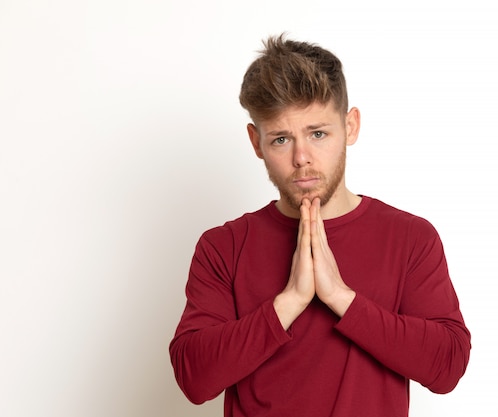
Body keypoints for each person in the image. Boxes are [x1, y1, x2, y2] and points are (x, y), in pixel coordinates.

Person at [169, 34, 471, 417]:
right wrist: (290, 300)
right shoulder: (223, 246)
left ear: (351, 126)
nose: (301, 158)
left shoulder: (410, 237)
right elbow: (194, 379)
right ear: (256, 141)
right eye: (281, 138)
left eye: (318, 133)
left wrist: (341, 298)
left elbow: (446, 368)